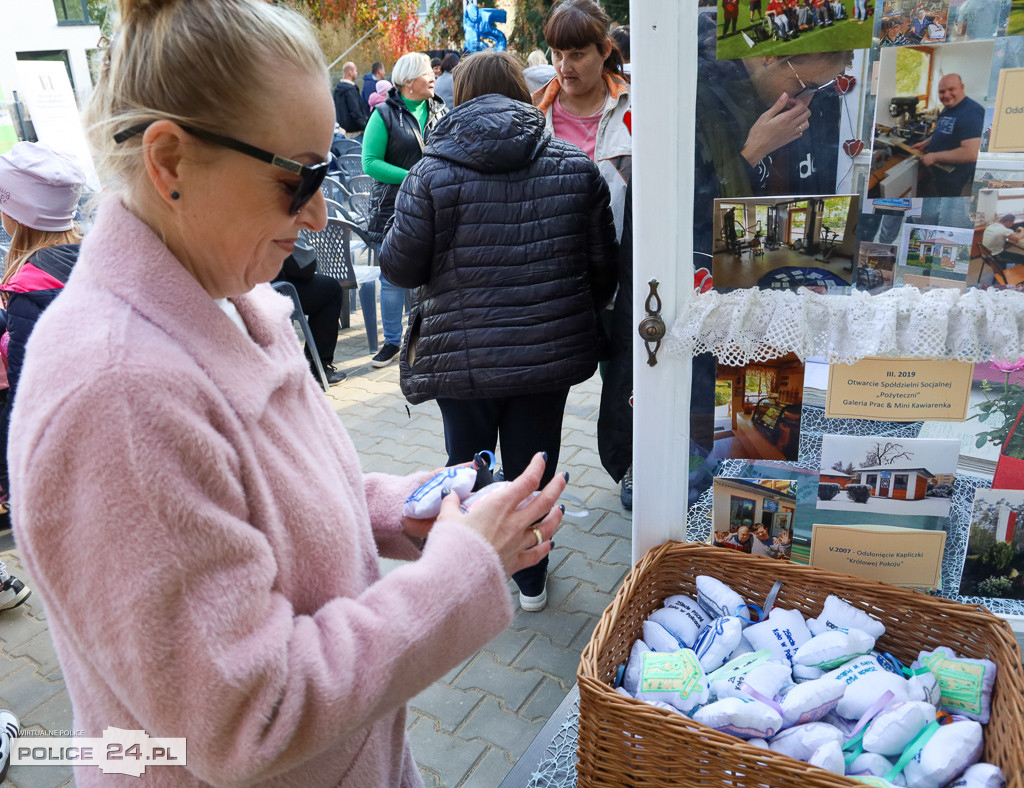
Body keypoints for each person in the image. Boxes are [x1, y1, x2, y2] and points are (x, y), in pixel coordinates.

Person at [9, 2, 565, 786]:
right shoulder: (119, 400)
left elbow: (257, 497)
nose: (316, 215)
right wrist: (461, 568)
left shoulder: (227, 294)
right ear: (169, 163)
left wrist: (399, 506)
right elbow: (248, 719)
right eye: (296, 179)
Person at [379, 50, 617, 612]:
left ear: (458, 98)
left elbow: (398, 267)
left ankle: (470, 586)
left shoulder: (429, 173)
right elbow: (604, 265)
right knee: (533, 469)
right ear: (521, 91)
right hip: (547, 353)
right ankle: (531, 582)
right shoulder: (572, 164)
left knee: (466, 471)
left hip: (460, 360)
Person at [0, 142, 87, 613]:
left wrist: (17, 485)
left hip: (59, 454)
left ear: (16, 215)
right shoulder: (91, 253)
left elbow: (25, 392)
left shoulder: (31, 285)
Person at [362, 52, 447, 369]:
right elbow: (370, 163)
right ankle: (393, 343)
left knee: (433, 276)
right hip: (393, 209)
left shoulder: (440, 110)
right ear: (409, 81)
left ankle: (425, 339)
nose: (433, 77)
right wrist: (414, 176)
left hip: (434, 206)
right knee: (393, 278)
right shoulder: (383, 114)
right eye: (428, 73)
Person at [533, 0, 631, 241]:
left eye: (577, 54)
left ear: (605, 49)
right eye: (557, 54)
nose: (564, 67)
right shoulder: (532, 114)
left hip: (621, 267)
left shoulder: (635, 110)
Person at [271, 244, 348, 385]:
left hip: (234, 292)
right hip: (267, 291)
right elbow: (304, 268)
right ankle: (317, 369)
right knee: (331, 289)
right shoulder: (274, 222)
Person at [911, 73, 984, 198]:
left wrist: (933, 156)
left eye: (951, 89)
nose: (946, 95)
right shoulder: (948, 107)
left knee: (944, 204)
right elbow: (941, 130)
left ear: (962, 87)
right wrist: (925, 143)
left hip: (951, 177)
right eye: (942, 91)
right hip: (937, 170)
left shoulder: (972, 112)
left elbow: (971, 153)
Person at [332, 60, 369, 138]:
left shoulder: (337, 90)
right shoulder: (350, 90)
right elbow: (355, 111)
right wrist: (365, 126)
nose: (357, 73)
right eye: (355, 70)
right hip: (356, 133)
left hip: (342, 132)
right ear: (350, 72)